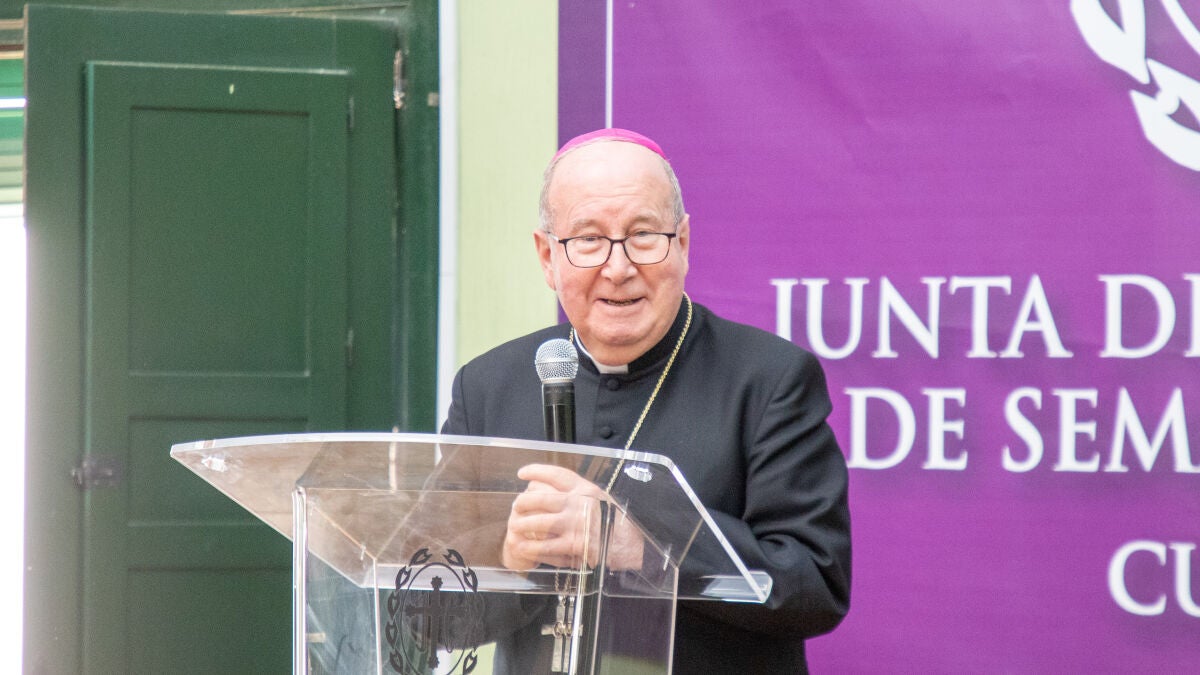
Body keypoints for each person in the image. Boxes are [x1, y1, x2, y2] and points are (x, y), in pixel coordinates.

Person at [441, 128, 851, 673]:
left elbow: (814, 586)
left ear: (682, 243)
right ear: (547, 257)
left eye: (643, 235)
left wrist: (639, 545)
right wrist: (509, 561)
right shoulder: (487, 387)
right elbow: (435, 614)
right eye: (589, 239)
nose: (618, 268)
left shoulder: (769, 380)